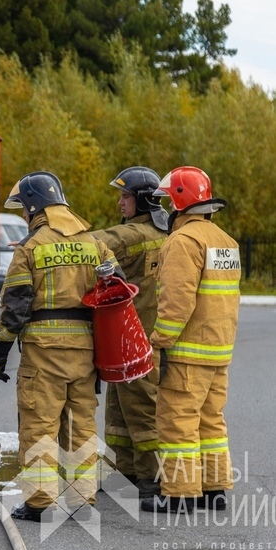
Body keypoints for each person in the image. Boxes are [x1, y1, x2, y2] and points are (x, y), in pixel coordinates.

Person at [0, 171, 121, 522]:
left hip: (43, 353)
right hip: (85, 351)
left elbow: (15, 305)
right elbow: (118, 289)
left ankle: (40, 502)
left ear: (34, 207)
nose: (23, 217)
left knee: (40, 425)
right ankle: (81, 498)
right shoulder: (94, 244)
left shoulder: (31, 247)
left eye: (24, 211)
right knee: (81, 426)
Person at [141, 166, 240, 513]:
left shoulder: (184, 241)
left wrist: (158, 342)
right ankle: (215, 491)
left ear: (181, 202)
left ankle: (181, 494)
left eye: (169, 201)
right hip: (218, 352)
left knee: (178, 420)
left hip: (186, 355)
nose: (167, 209)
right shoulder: (225, 242)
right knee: (211, 421)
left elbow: (176, 300)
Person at [93, 167, 168, 498]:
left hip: (133, 335)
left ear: (141, 201)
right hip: (144, 334)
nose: (120, 202)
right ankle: (125, 470)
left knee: (139, 406)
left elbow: (96, 242)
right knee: (121, 406)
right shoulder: (167, 233)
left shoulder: (134, 235)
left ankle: (151, 476)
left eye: (125, 196)